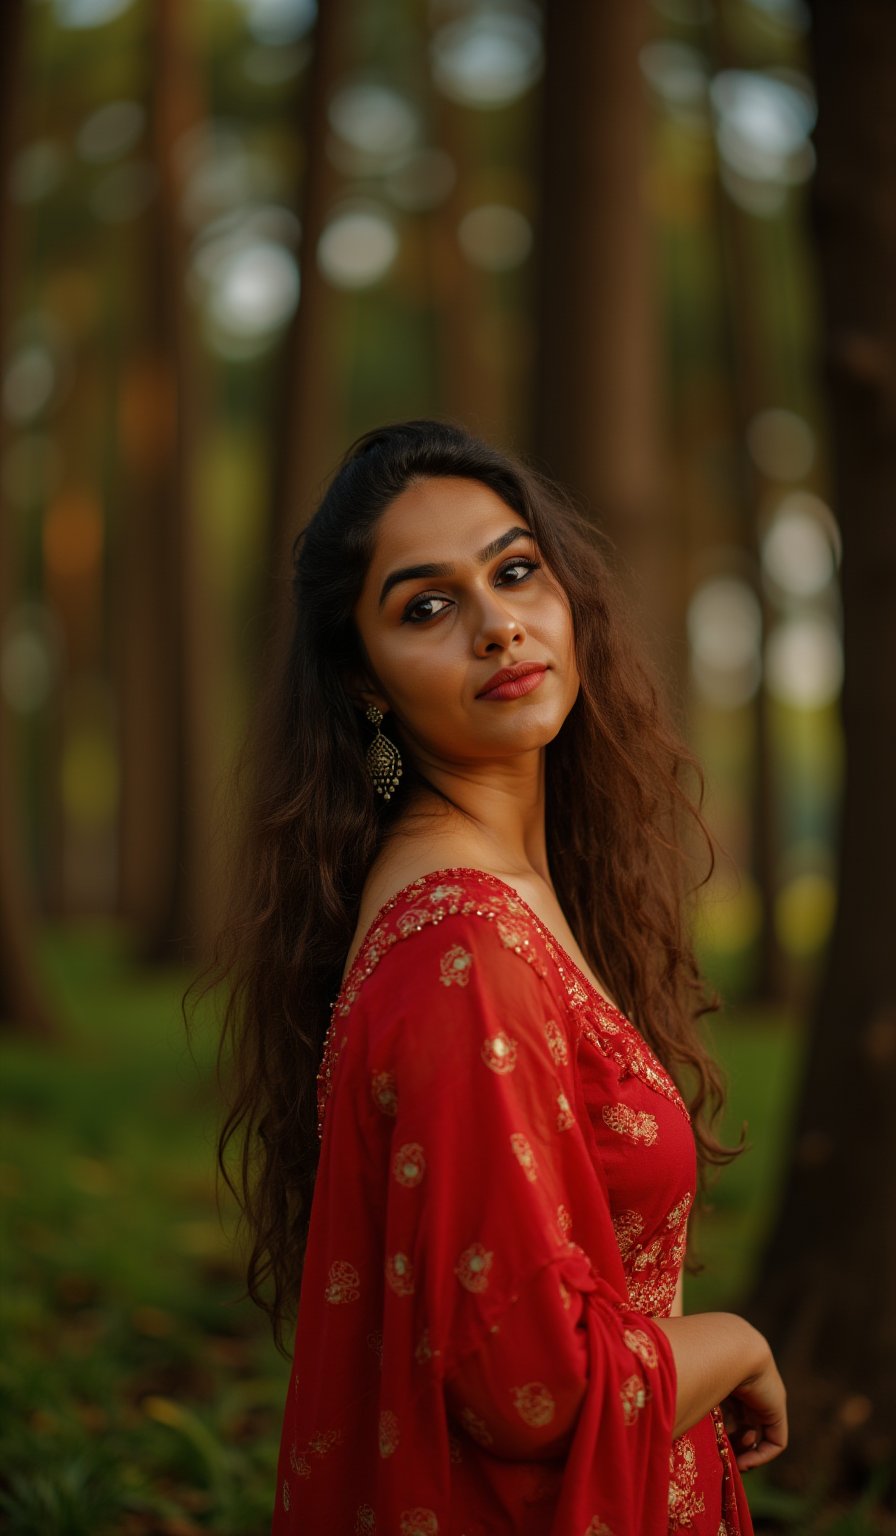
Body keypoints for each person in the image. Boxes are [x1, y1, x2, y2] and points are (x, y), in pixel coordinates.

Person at [213, 420, 787, 1535]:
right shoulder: (462, 947)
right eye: (425, 607)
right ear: (363, 681)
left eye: (515, 571)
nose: (497, 625)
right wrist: (738, 1343)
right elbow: (530, 1388)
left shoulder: (496, 895)